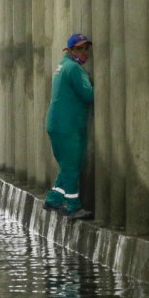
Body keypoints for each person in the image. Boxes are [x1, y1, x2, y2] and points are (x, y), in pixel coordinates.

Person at [43, 33, 94, 220]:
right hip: (67, 126)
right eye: (80, 48)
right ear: (70, 50)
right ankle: (73, 206)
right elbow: (89, 95)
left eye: (86, 48)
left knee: (67, 165)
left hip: (58, 125)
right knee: (72, 165)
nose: (84, 52)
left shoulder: (63, 66)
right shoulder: (74, 69)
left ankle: (54, 198)